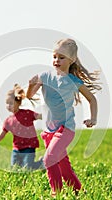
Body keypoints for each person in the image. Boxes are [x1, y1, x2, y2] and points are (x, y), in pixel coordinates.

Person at [26, 38, 101, 196]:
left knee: (49, 159)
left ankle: (56, 194)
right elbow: (30, 95)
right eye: (54, 56)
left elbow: (92, 99)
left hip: (66, 129)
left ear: (71, 60)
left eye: (61, 57)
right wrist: (31, 85)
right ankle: (80, 193)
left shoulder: (73, 81)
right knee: (64, 169)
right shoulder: (45, 76)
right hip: (49, 131)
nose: (56, 60)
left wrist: (93, 118)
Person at [0, 84, 44, 170]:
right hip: (17, 148)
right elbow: (2, 133)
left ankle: (42, 163)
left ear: (18, 102)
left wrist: (48, 116)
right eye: (7, 103)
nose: (8, 105)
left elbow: (39, 116)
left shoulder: (27, 113)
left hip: (29, 146)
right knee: (14, 168)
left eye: (11, 103)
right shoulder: (8, 121)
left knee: (27, 168)